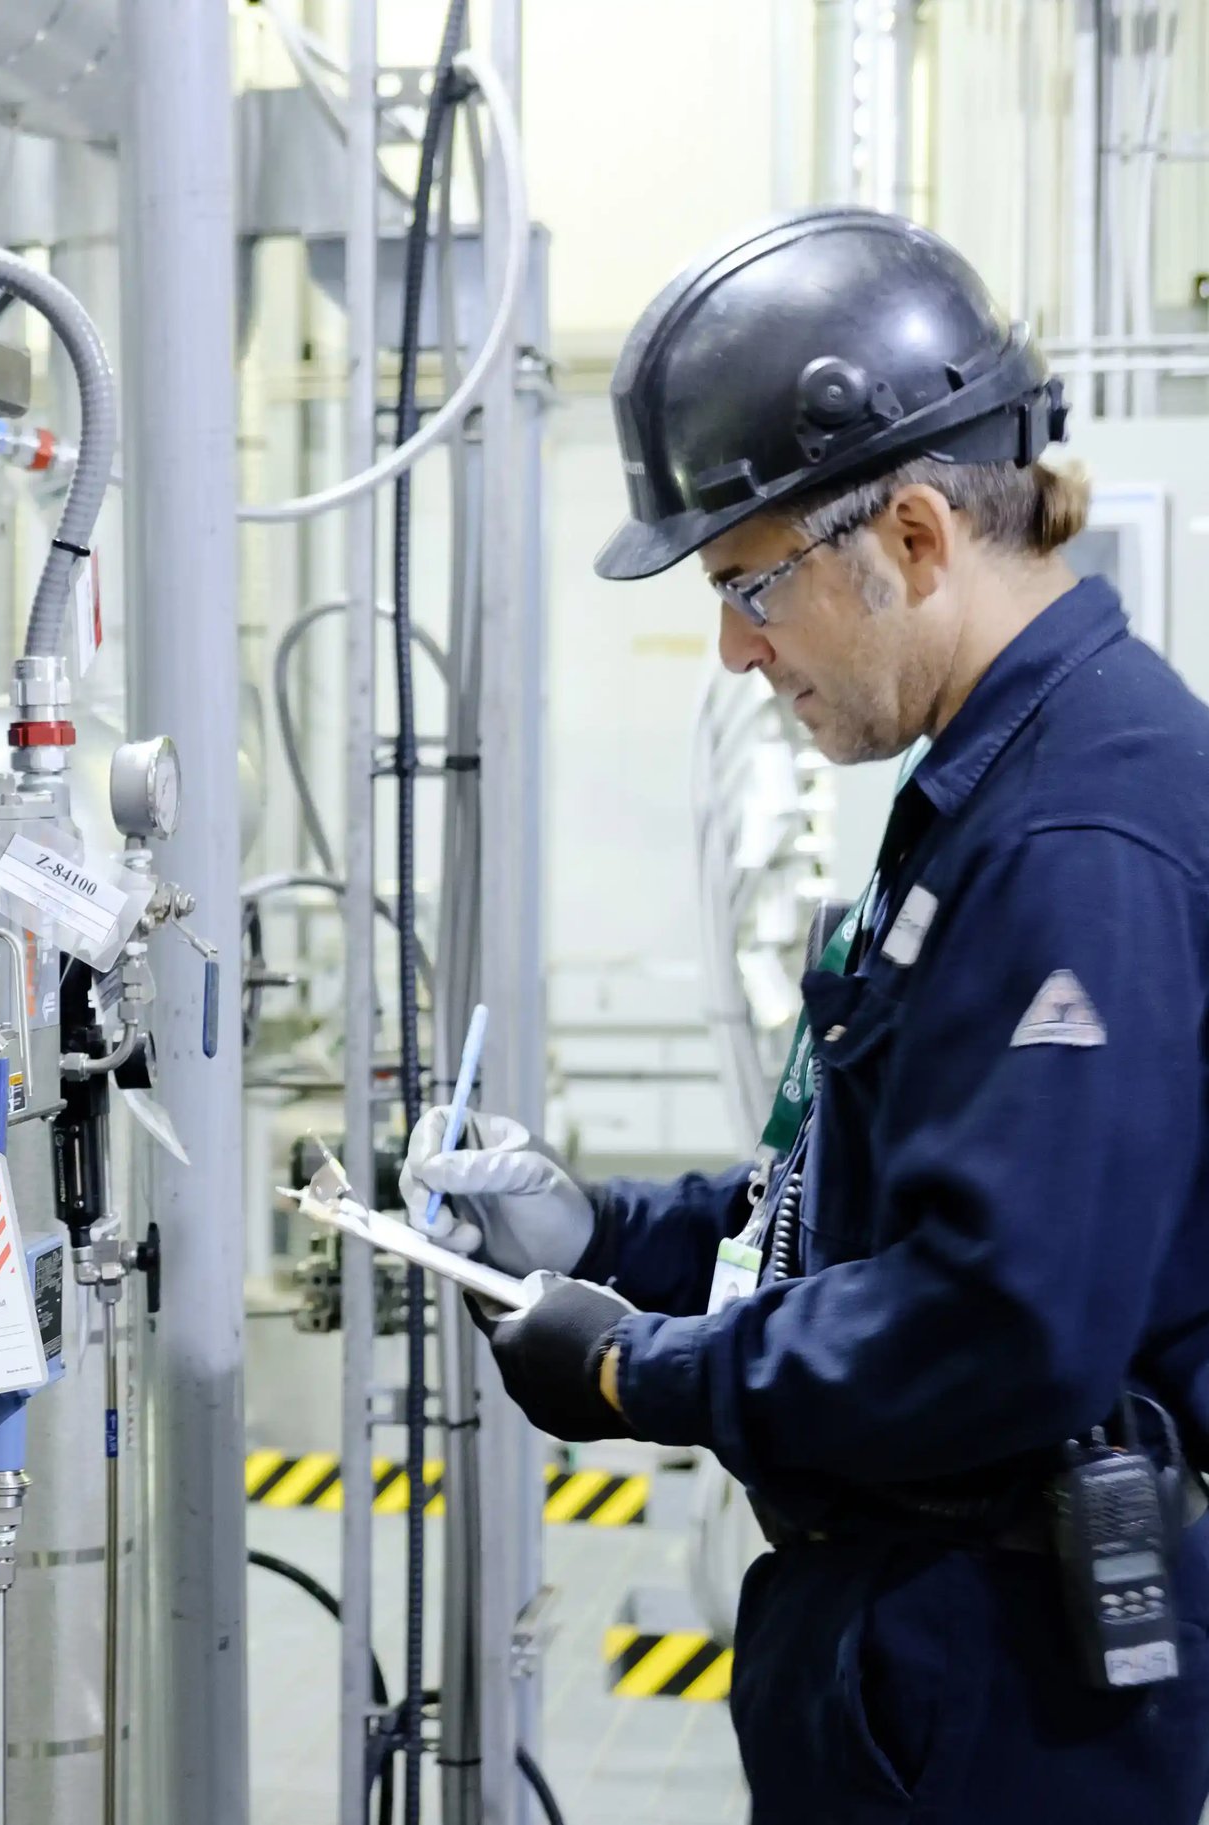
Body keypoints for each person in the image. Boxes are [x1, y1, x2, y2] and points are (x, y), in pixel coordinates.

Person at [400, 207, 1209, 1824]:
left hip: (999, 1683)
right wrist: (610, 1231)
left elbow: (1002, 1322)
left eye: (750, 583)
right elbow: (884, 1197)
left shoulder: (1075, 834)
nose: (732, 645)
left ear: (913, 536)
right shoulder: (990, 789)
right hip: (928, 1644)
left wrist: (647, 1375)